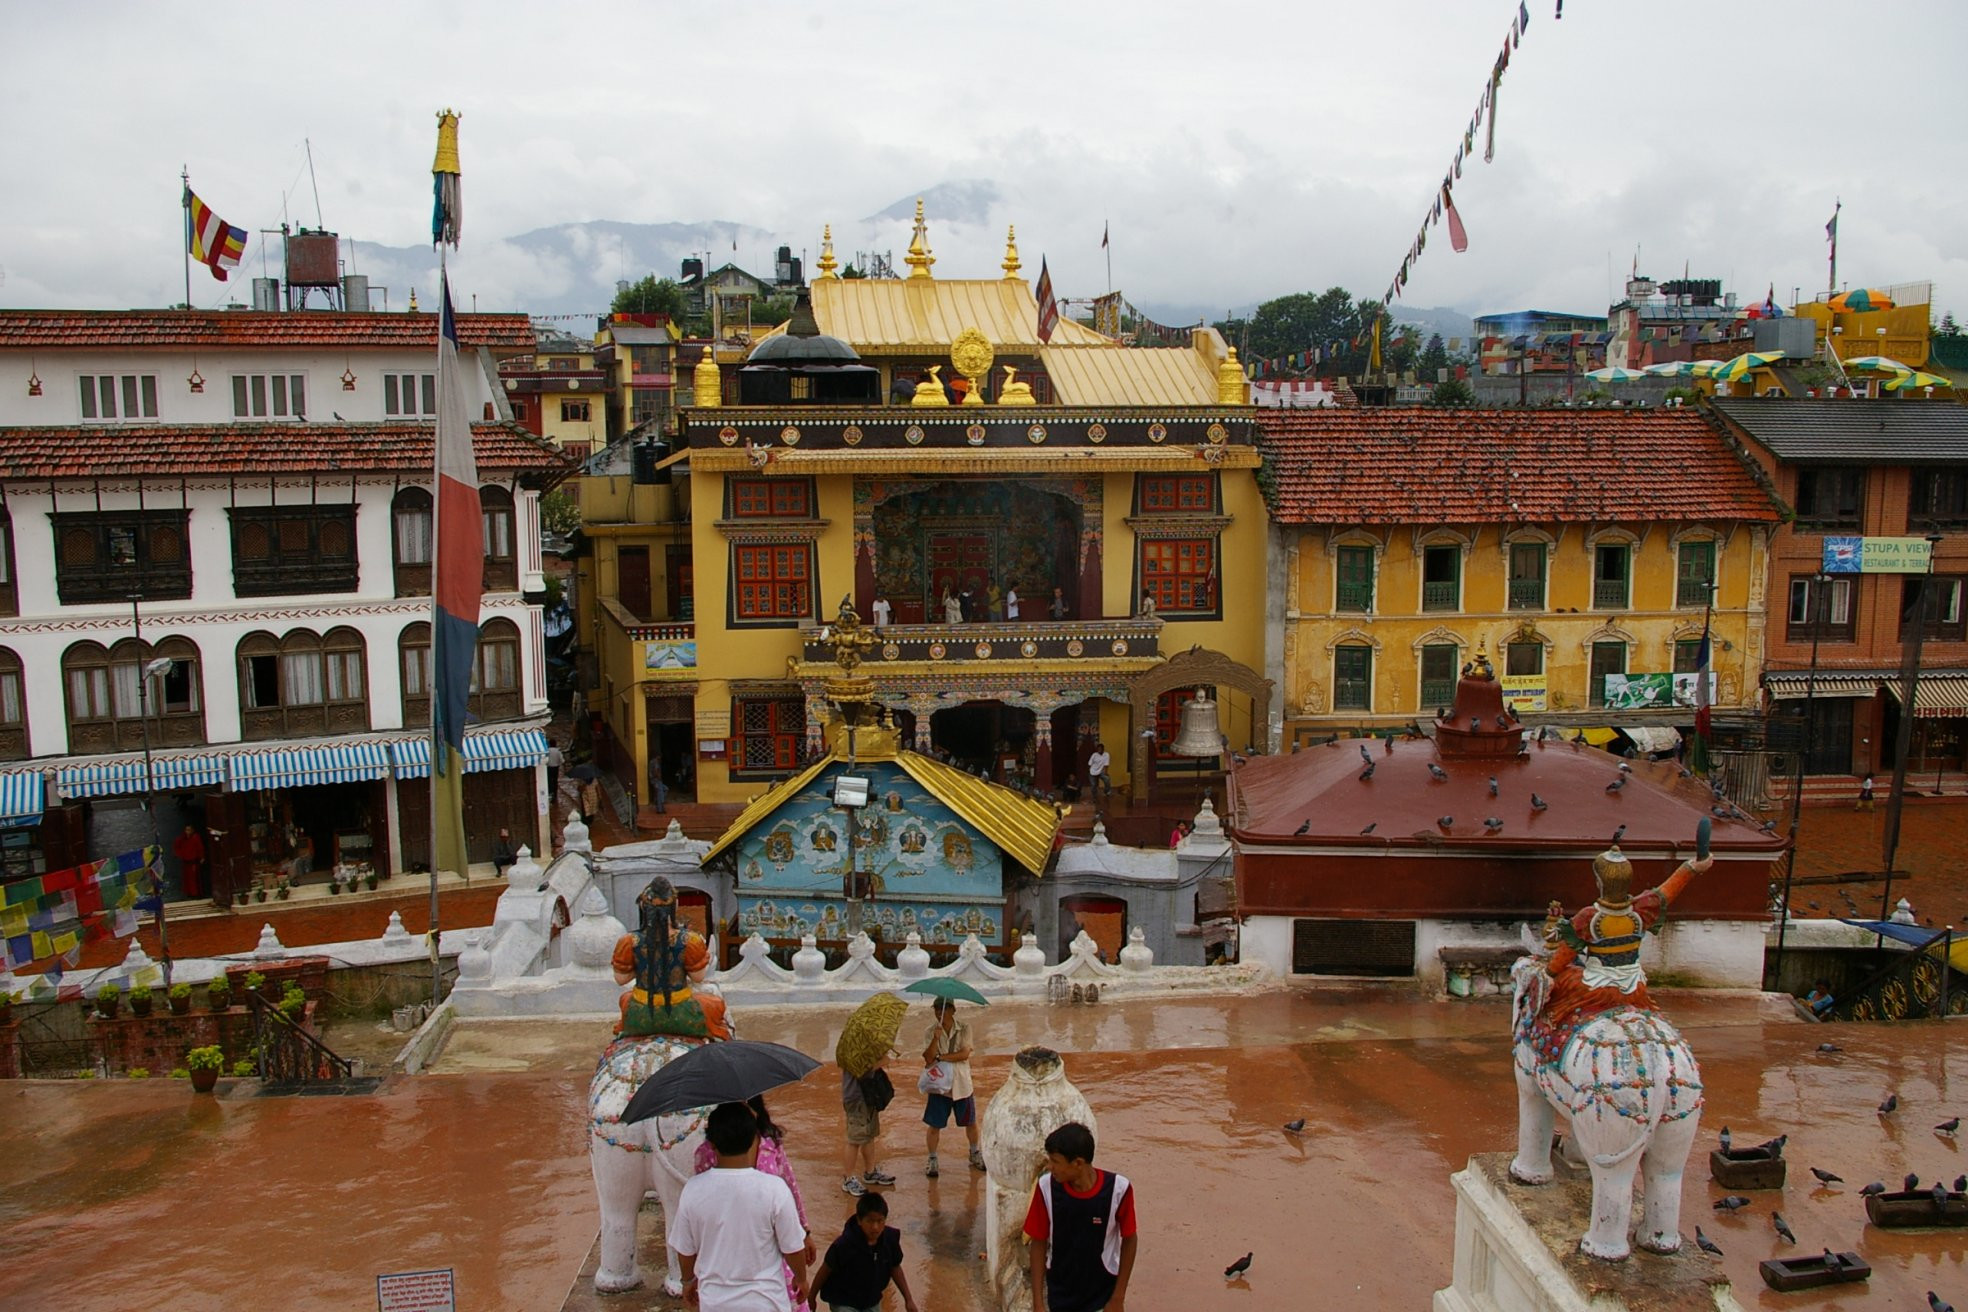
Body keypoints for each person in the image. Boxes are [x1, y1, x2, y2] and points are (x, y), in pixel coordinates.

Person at [1535, 842, 1713, 1033]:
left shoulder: (1588, 917)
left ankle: (1548, 1032)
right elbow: (1666, 892)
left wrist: (1548, 974)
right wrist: (1691, 867)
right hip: (1635, 987)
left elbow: (1564, 956)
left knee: (1556, 987)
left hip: (1595, 988)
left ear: (1599, 883)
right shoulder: (1641, 910)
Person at [670, 1101, 810, 1312]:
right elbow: (793, 1247)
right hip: (767, 1302)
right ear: (753, 1139)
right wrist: (801, 1279)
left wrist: (688, 1282)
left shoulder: (693, 1190)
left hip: (715, 1303)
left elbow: (685, 1250)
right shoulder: (774, 1189)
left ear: (712, 1143)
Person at [1023, 1121, 1138, 1312]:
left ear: (1077, 1163)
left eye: (1055, 1161)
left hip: (1102, 1296)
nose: (1050, 1167)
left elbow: (1130, 1239)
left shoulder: (1119, 1190)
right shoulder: (1046, 1188)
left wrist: (1118, 1298)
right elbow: (1038, 1242)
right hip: (1060, 1296)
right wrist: (1038, 1303)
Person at [611, 876, 731, 1039]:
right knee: (716, 1004)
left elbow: (621, 979)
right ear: (675, 906)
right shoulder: (690, 940)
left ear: (643, 907)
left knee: (625, 999)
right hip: (680, 1008)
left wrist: (643, 964)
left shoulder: (628, 941)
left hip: (641, 1011)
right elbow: (698, 977)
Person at [807, 1191, 919, 1312]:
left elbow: (895, 1268)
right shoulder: (843, 1245)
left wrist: (908, 1299)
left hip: (871, 1300)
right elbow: (825, 1270)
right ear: (859, 1220)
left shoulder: (889, 1241)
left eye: (880, 1221)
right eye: (870, 1221)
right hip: (843, 1300)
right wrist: (811, 1297)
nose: (875, 1227)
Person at [920, 997, 984, 1177]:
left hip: (962, 1084)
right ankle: (932, 1159)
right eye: (936, 1009)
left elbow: (964, 1054)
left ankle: (974, 1152)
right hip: (939, 1086)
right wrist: (935, 1039)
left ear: (953, 1010)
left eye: (943, 1009)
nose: (939, 1013)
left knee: (970, 1122)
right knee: (934, 1125)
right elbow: (928, 1058)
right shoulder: (930, 1031)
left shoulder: (964, 1028)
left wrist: (941, 1057)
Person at [840, 1063, 896, 1197]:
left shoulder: (862, 1050)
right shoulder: (853, 1053)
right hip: (856, 1098)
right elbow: (862, 1069)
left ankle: (870, 1172)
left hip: (867, 1095)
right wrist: (881, 1062)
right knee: (855, 1139)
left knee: (869, 1135)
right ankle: (848, 1179)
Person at [172, 824, 208, 901]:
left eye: (189, 830)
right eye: (186, 830)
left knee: (194, 878)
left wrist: (202, 857)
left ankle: (196, 893)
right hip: (186, 861)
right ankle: (189, 893)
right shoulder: (182, 838)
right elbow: (176, 846)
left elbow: (200, 847)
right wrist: (179, 854)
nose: (187, 832)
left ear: (192, 830)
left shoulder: (196, 837)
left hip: (194, 861)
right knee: (187, 879)